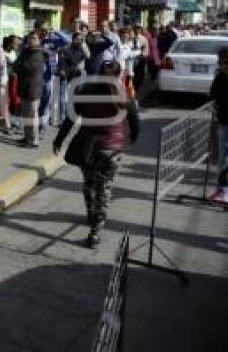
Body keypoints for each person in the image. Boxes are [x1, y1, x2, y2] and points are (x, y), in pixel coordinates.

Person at [53, 60, 140, 247]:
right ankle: (95, 231)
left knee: (89, 182)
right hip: (112, 149)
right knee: (104, 187)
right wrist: (133, 137)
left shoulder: (85, 91)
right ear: (118, 75)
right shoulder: (122, 93)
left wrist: (59, 140)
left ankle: (91, 215)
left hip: (88, 146)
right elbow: (135, 121)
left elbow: (70, 119)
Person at [14, 31, 45, 148]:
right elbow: (16, 65)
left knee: (32, 116)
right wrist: (19, 65)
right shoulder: (26, 51)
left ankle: (33, 140)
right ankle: (27, 137)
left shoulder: (38, 53)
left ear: (39, 40)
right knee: (26, 115)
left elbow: (28, 68)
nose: (31, 40)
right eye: (30, 38)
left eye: (34, 38)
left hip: (34, 88)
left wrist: (20, 65)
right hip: (24, 87)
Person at [208, 48, 228, 205]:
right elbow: (213, 94)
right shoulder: (220, 77)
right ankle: (222, 189)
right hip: (223, 122)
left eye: (225, 62)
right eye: (220, 62)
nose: (223, 65)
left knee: (225, 158)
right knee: (222, 158)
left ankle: (224, 191)